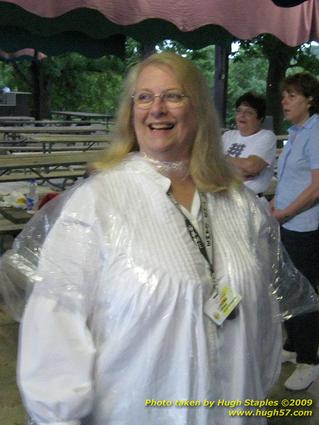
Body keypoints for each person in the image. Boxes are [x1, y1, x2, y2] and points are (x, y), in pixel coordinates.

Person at [8, 52, 286, 425]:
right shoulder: (98, 202)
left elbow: (264, 322)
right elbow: (56, 329)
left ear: (199, 108)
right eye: (144, 97)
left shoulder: (239, 204)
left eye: (173, 96)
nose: (157, 109)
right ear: (131, 111)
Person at [271, 72, 319, 391]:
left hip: (303, 227)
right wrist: (275, 204)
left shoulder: (315, 132)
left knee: (303, 293)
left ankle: (309, 360)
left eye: (292, 95)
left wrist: (286, 211)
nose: (285, 101)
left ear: (309, 100)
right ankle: (293, 346)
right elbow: (290, 178)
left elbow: (316, 187)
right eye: (284, 95)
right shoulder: (295, 132)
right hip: (284, 222)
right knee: (287, 288)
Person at [222, 92, 277, 197]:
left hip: (252, 201)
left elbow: (252, 166)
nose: (242, 115)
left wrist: (222, 161)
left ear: (260, 118)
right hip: (225, 198)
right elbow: (210, 166)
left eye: (249, 112)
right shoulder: (227, 136)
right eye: (239, 111)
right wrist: (236, 173)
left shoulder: (266, 136)